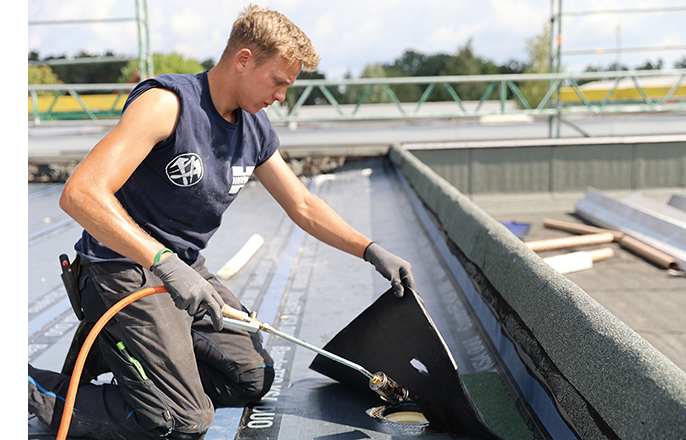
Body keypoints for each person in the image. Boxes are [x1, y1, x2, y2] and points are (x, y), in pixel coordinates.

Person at [28, 5, 415, 439]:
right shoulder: (167, 105)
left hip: (181, 270)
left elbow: (303, 205)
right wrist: (163, 261)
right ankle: (33, 387)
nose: (282, 96)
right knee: (183, 420)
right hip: (120, 270)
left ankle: (138, 362)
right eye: (279, 82)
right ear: (244, 59)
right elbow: (80, 193)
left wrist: (369, 249)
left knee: (251, 376)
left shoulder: (255, 128)